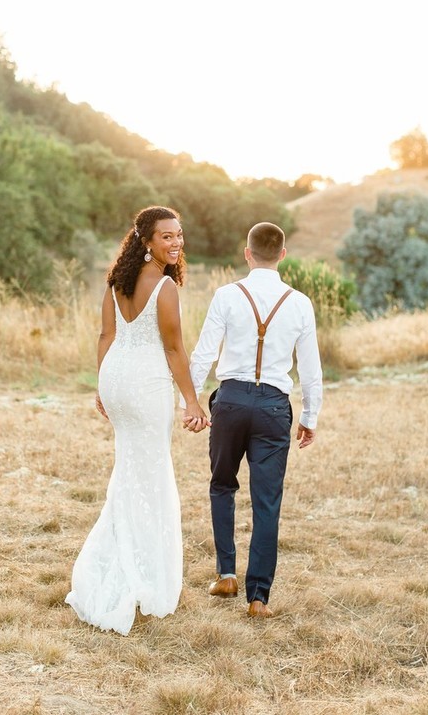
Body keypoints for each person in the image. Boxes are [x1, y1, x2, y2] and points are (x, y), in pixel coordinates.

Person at [65, 206, 209, 636]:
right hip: (144, 386)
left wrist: (101, 383)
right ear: (147, 240)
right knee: (150, 475)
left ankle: (120, 560)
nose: (176, 243)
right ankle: (140, 576)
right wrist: (192, 402)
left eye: (179, 235)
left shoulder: (116, 282)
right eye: (167, 237)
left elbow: (106, 337)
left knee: (130, 471)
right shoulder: (165, 288)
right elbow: (174, 351)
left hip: (116, 379)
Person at [181, 222, 323, 618]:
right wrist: (310, 416)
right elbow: (310, 370)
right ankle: (258, 598)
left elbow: (203, 354)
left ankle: (226, 572)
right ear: (282, 254)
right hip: (274, 407)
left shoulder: (227, 295)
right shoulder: (300, 303)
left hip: (229, 401)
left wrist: (189, 402)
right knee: (267, 502)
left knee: (222, 485)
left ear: (247, 253)